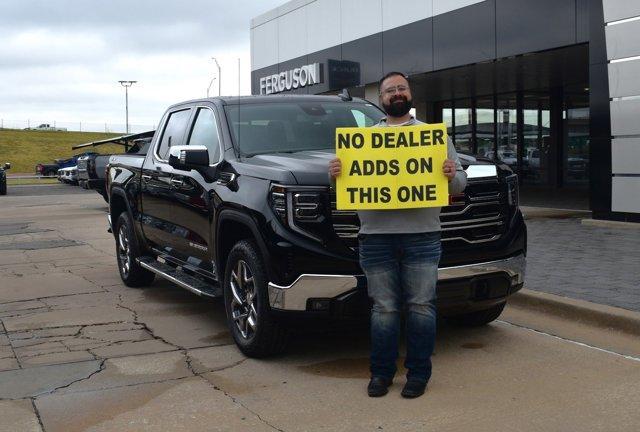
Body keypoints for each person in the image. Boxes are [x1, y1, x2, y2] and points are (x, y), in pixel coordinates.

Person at [328, 72, 467, 398]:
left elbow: (460, 183)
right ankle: (381, 374)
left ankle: (418, 375)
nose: (396, 94)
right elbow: (344, 190)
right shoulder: (362, 141)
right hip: (376, 237)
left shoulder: (432, 137)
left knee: (421, 306)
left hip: (423, 235)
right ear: (382, 100)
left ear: (410, 94)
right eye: (390, 91)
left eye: (401, 88)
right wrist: (334, 175)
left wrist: (451, 174)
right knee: (383, 309)